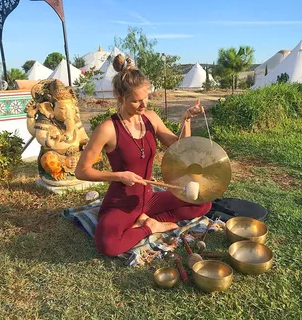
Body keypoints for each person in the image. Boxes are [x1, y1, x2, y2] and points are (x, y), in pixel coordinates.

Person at [75, 54, 212, 257]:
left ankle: (149, 219)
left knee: (203, 202)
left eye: (146, 97)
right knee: (108, 245)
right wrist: (119, 176)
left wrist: (187, 120)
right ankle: (150, 227)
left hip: (148, 198)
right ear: (121, 99)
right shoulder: (108, 129)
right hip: (122, 202)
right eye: (136, 101)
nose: (143, 105)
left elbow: (179, 148)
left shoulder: (150, 118)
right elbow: (81, 171)